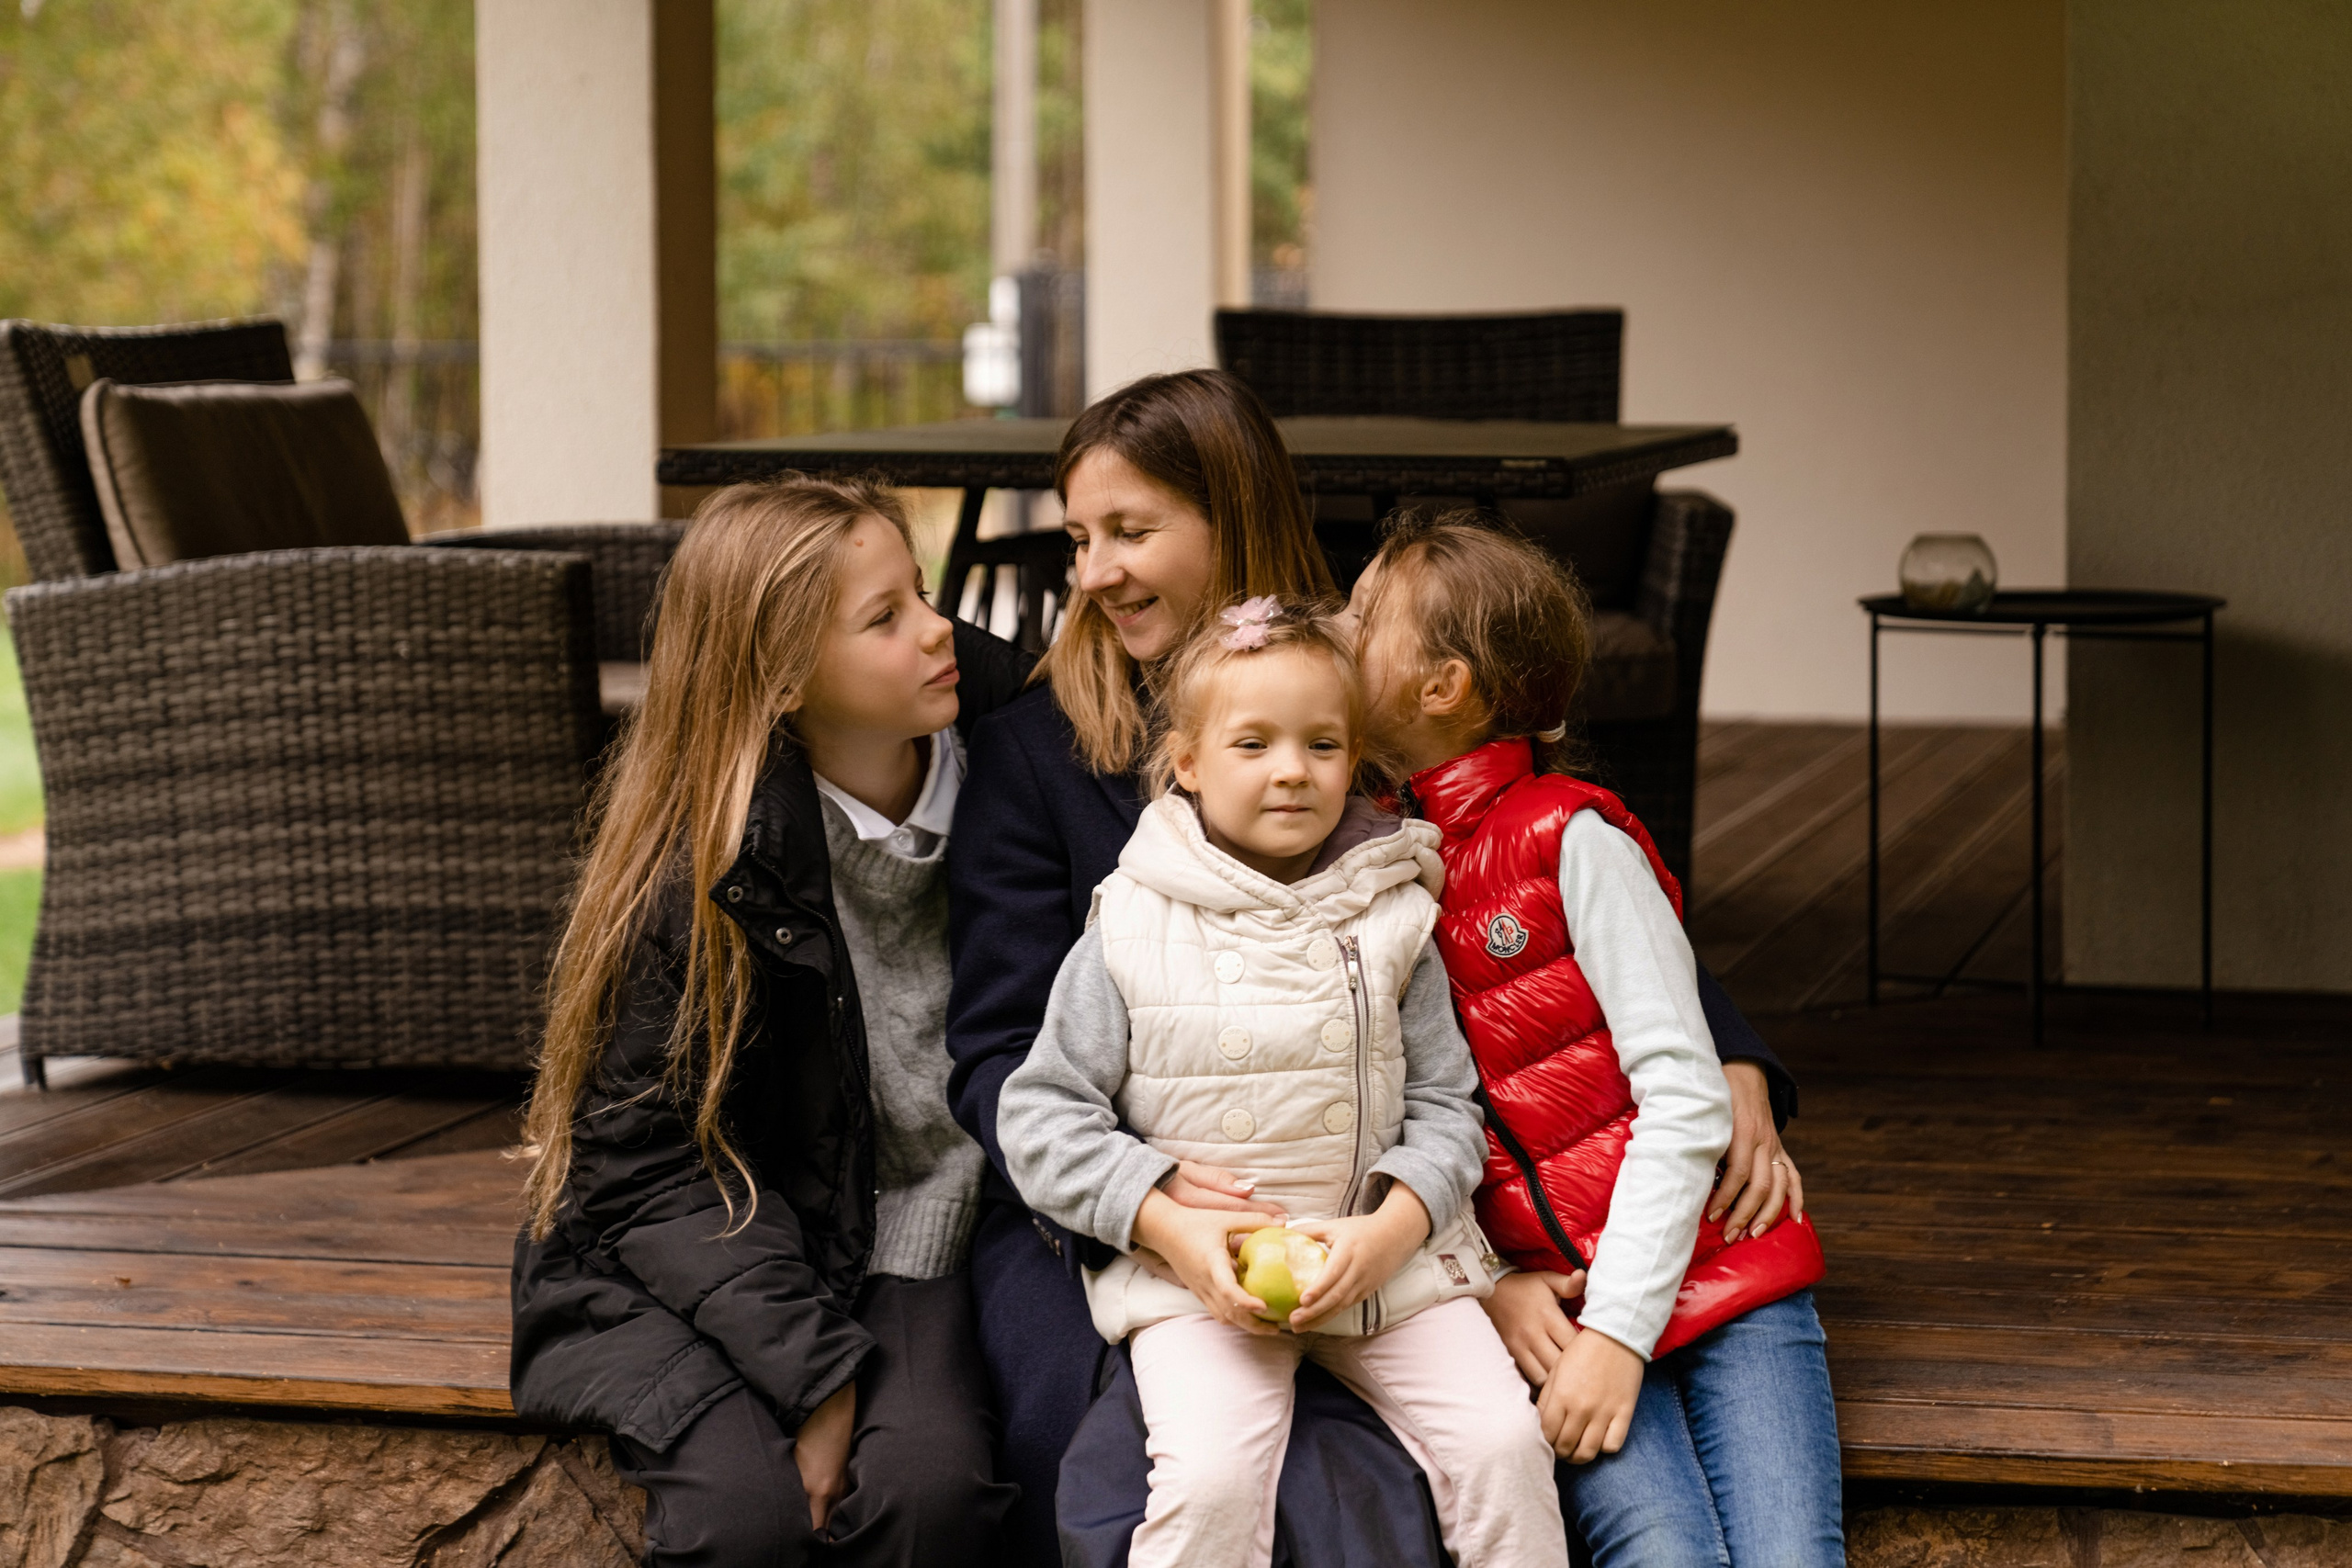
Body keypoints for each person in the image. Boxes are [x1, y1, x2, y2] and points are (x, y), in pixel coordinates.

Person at [945, 369, 1810, 1567]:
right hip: (1129, 1207)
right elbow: (1004, 1061)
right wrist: (1147, 1198)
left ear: (1233, 518)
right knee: (1109, 1444)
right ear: (1187, 762)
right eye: (1081, 537)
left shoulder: (1361, 695)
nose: (1091, 572)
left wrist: (1723, 1048)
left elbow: (1541, 862)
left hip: (1385, 1210)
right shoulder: (1036, 752)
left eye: (1132, 532)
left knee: (1445, 1451)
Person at [509, 477, 1024, 1568]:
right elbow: (639, 1164)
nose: (940, 629)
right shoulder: (704, 867)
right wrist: (817, 1374)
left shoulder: (1013, 773)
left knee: (932, 1498)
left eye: (922, 593)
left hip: (921, 1232)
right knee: (742, 1519)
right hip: (714, 1233)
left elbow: (1065, 685)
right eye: (884, 618)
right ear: (784, 679)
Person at [997, 598, 1566, 1568]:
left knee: (1505, 1446)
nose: (1291, 770)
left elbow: (1445, 1108)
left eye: (1322, 744)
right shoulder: (1132, 921)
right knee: (1209, 1477)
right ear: (1187, 763)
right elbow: (1042, 1115)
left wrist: (1391, 1230)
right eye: (1252, 744)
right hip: (1205, 1285)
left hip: (1387, 1272)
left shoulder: (1391, 913)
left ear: (1355, 762)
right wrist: (1159, 1217)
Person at [1347, 510, 1844, 1568]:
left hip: (1722, 1278)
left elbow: (1686, 1095)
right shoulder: (1369, 868)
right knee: (1660, 1551)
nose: (1336, 630)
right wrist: (1491, 1286)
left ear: (1444, 687)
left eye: (1363, 617)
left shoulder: (1569, 838)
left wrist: (1622, 1332)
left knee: (1790, 1554)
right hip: (1553, 1306)